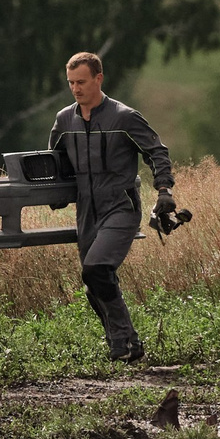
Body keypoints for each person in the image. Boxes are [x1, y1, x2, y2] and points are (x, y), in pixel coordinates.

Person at [49, 49, 174, 367]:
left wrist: (164, 191)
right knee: (94, 282)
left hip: (121, 206)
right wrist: (55, 192)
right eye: (70, 83)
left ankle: (120, 343)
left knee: (97, 271)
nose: (76, 89)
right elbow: (54, 161)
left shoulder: (123, 117)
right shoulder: (65, 119)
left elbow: (156, 151)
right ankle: (129, 343)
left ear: (98, 79)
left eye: (82, 82)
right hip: (86, 210)